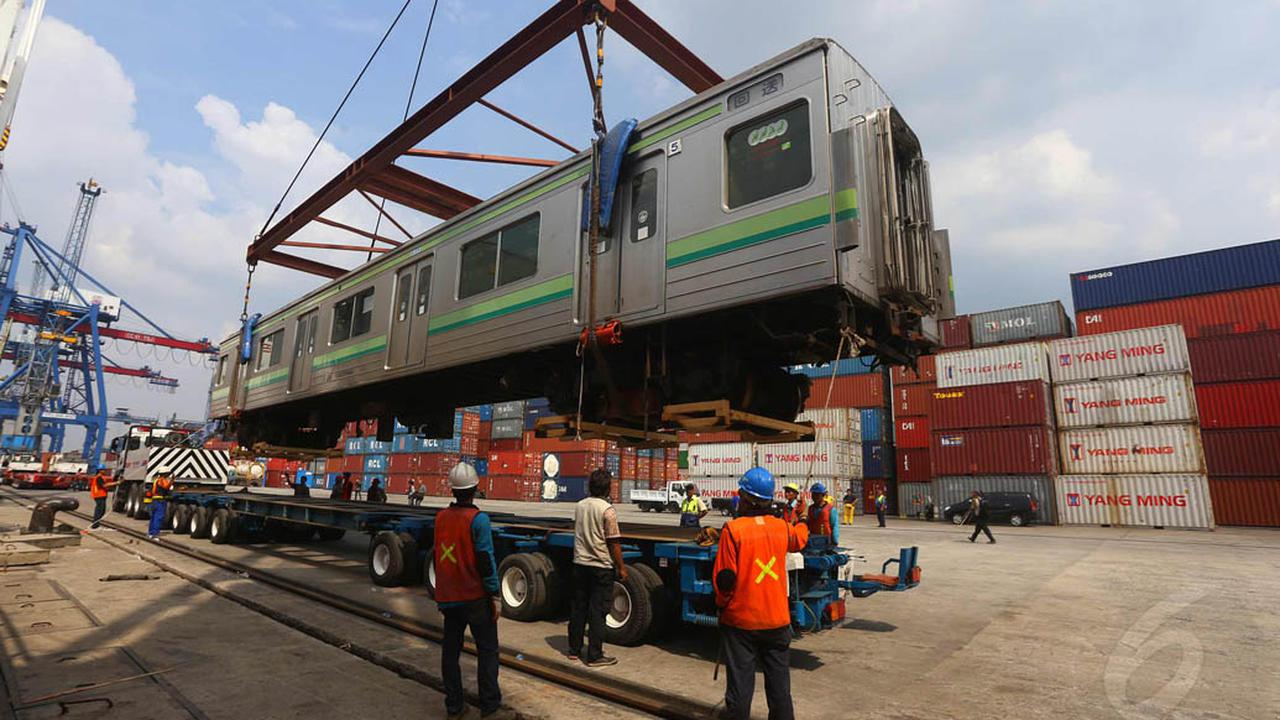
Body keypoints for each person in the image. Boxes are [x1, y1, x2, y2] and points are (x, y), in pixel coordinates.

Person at [714, 467, 809, 720]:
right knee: (780, 690)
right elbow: (800, 539)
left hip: (741, 622)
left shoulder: (733, 530)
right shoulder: (782, 528)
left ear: (745, 498)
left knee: (740, 689)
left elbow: (725, 581)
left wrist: (722, 607)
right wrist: (803, 517)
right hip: (777, 620)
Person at [434, 462, 502, 718]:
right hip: (475, 598)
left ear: (452, 491)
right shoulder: (479, 519)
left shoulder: (440, 518)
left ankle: (454, 705)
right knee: (487, 651)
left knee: (450, 653)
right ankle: (489, 705)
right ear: (475, 488)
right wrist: (494, 594)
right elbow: (486, 559)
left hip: (449, 598)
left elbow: (441, 556)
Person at [568, 468, 627, 667]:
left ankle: (574, 650)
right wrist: (621, 567)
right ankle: (594, 655)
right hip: (600, 566)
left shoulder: (580, 506)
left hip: (579, 564)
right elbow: (614, 542)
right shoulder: (607, 510)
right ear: (608, 488)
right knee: (598, 612)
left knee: (578, 608)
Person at [143, 467, 174, 540]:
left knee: (153, 517)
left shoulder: (156, 480)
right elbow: (166, 487)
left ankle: (150, 533)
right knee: (158, 517)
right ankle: (155, 534)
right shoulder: (162, 480)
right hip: (160, 501)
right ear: (165, 474)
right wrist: (172, 480)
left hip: (154, 500)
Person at [82, 469, 117, 533]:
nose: (105, 471)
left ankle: (96, 525)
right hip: (99, 496)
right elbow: (104, 485)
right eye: (104, 470)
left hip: (100, 495)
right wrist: (116, 483)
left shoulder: (98, 478)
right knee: (99, 511)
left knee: (101, 511)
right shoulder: (98, 478)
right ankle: (95, 525)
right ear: (100, 470)